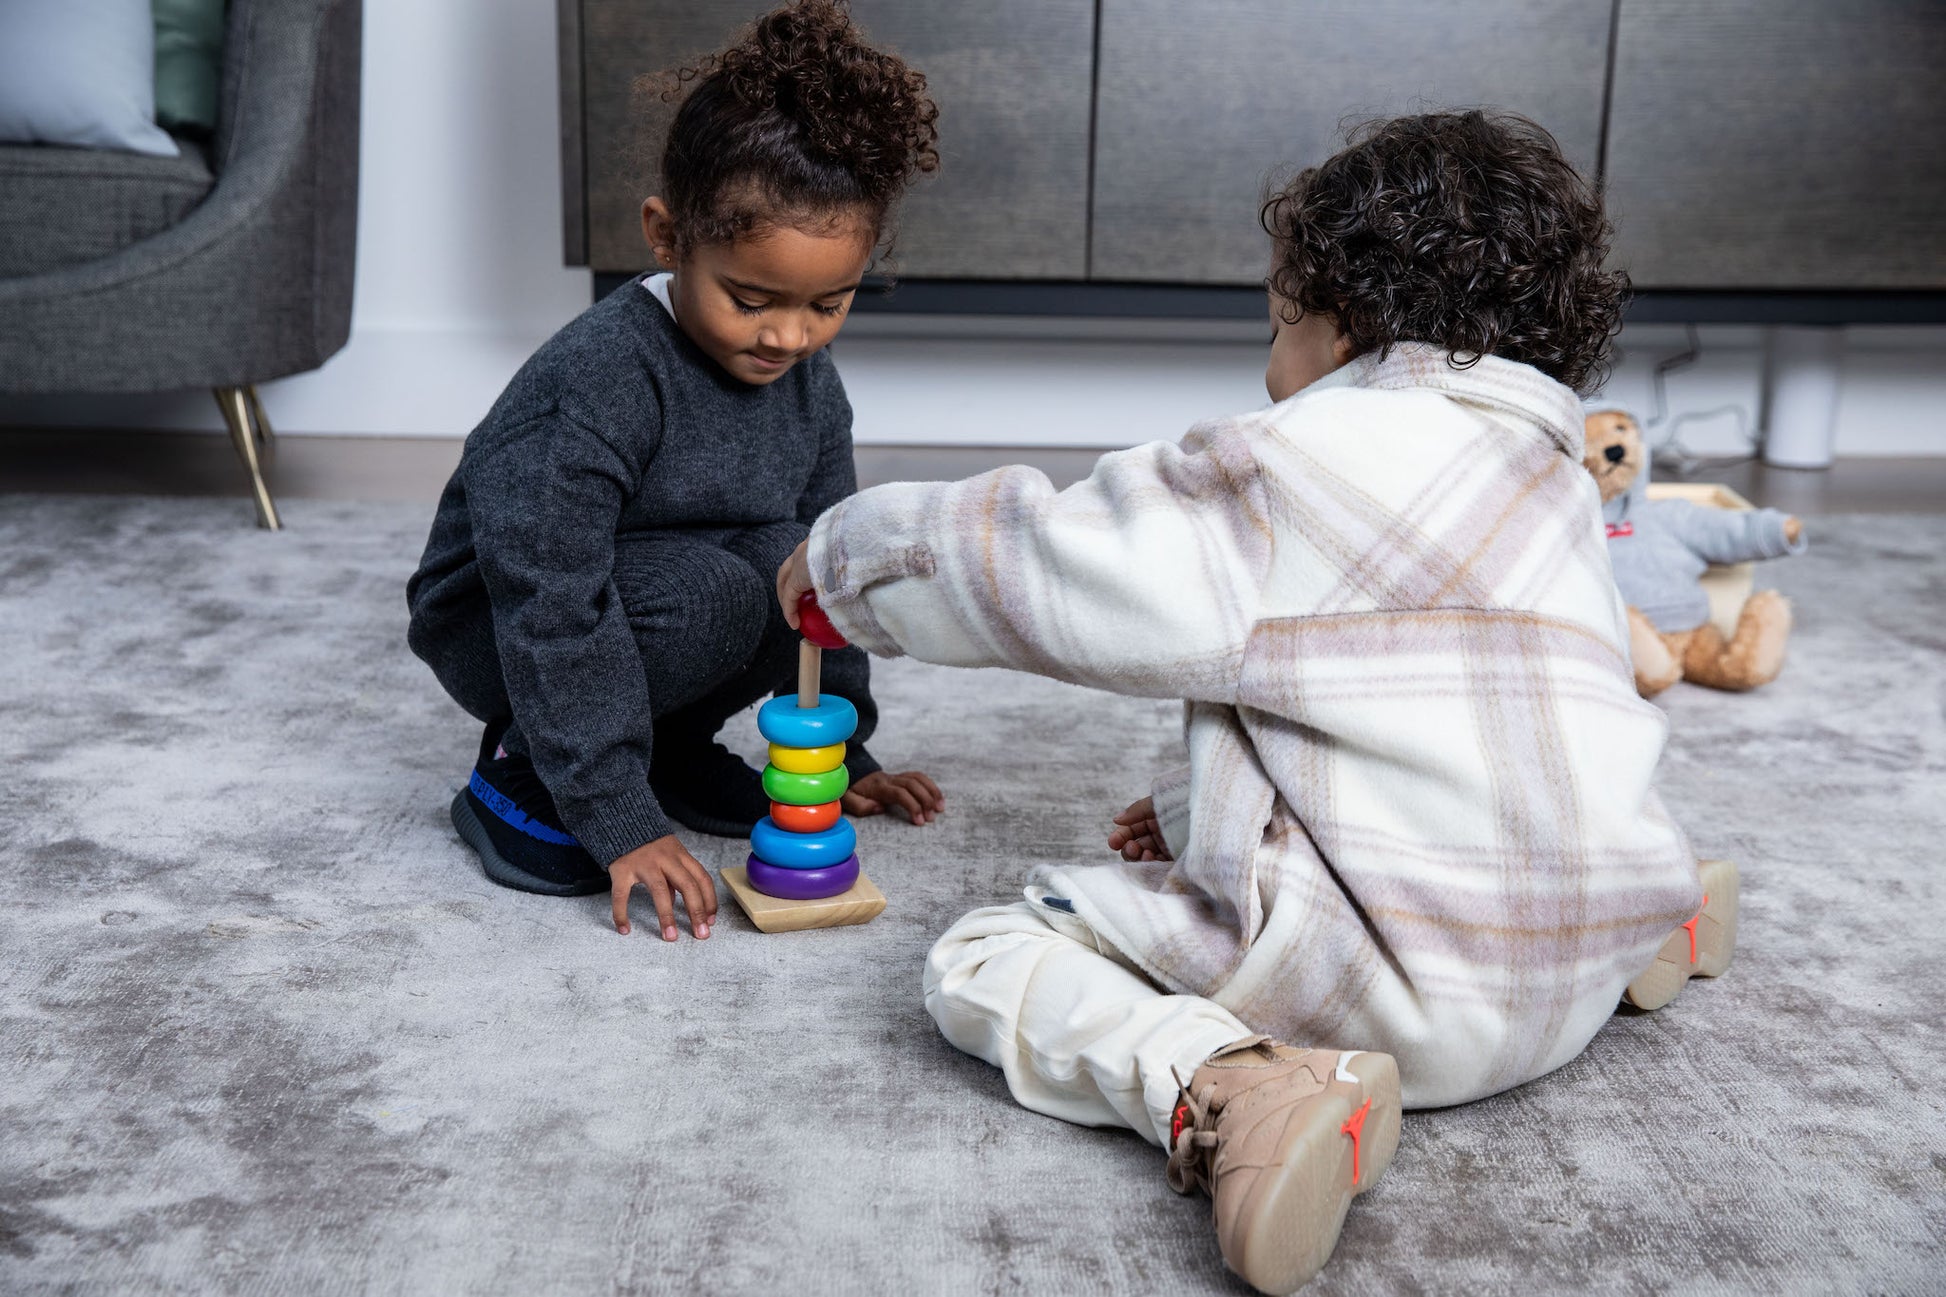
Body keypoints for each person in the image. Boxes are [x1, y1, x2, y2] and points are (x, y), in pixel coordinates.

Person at [776, 111, 1710, 1293]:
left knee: (980, 954)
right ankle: (1659, 918)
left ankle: (1229, 1086)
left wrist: (848, 556)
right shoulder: (1555, 483)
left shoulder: (1290, 464)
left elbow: (1066, 564)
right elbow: (1420, 709)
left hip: (1397, 1006)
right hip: (1570, 964)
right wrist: (1194, 798)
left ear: (1341, 324)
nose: (1266, 360)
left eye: (1274, 324)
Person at [406, 0, 943, 943]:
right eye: (751, 298)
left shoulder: (810, 381)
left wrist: (844, 745)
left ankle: (667, 745)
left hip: (653, 603)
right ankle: (522, 778)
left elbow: (830, 563)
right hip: (504, 617)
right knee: (713, 593)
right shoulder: (600, 379)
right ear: (667, 237)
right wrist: (616, 815)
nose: (789, 334)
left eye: (830, 302)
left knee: (793, 562)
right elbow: (548, 596)